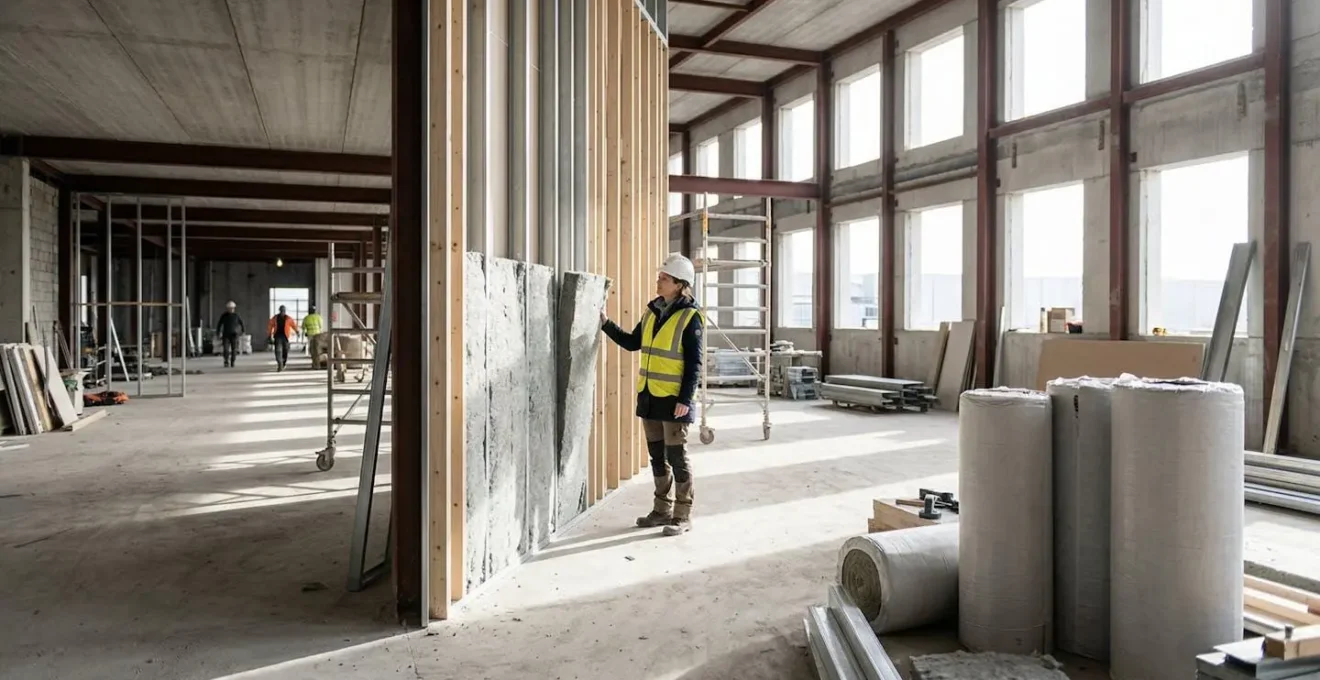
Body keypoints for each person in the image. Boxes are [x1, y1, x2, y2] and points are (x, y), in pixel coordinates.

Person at [600, 254, 704, 536]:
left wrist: (685, 399)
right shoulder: (652, 311)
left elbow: (695, 363)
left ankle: (682, 515)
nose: (658, 281)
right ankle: (662, 510)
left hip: (674, 401)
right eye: (660, 276)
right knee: (657, 458)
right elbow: (633, 342)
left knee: (677, 457)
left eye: (664, 278)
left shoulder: (691, 317)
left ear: (680, 285)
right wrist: (606, 324)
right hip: (649, 397)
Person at [267, 305, 299, 372]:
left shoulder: (288, 318)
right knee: (278, 351)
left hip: (285, 337)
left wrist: (297, 331)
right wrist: (269, 335)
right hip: (277, 336)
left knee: (285, 351)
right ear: (279, 310)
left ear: (285, 311)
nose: (282, 312)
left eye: (283, 310)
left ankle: (283, 363)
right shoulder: (275, 318)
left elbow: (293, 325)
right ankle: (280, 364)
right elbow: (270, 326)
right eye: (281, 310)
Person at [215, 301, 246, 368]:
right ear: (227, 308)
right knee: (225, 349)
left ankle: (232, 362)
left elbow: (241, 323)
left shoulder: (236, 316)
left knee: (234, 349)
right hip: (226, 335)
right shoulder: (224, 316)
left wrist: (243, 331)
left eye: (232, 308)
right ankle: (226, 361)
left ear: (234, 308)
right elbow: (219, 324)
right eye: (229, 308)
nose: (231, 309)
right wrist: (218, 332)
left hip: (234, 335)